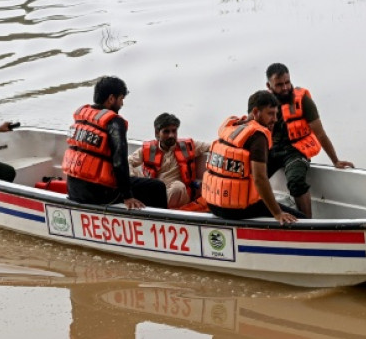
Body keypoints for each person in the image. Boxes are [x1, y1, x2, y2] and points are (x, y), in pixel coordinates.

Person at [62, 76, 167, 210]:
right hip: (100, 194)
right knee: (157, 187)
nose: (122, 104)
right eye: (121, 99)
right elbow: (119, 162)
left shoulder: (82, 117)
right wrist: (128, 196)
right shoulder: (115, 122)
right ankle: (161, 225)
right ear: (111, 99)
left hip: (73, 190)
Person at [264, 63, 353, 218]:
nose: (285, 87)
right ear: (269, 85)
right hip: (272, 150)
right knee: (251, 177)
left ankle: (307, 223)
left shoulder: (303, 100)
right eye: (279, 85)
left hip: (296, 150)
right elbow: (251, 127)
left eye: (287, 82)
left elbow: (320, 133)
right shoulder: (263, 101)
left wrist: (335, 161)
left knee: (296, 182)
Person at [203, 90, 301, 224]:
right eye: (270, 114)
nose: (275, 119)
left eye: (276, 114)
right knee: (302, 220)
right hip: (236, 209)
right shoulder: (258, 136)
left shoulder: (233, 125)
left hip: (213, 204)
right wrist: (278, 213)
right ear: (255, 112)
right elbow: (260, 178)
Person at [128, 113, 211, 209]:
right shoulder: (148, 149)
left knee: (178, 187)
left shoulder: (188, 146)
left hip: (178, 193)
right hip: (155, 190)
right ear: (157, 133)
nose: (171, 135)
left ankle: (161, 212)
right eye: (166, 132)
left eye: (174, 131)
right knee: (127, 170)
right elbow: (128, 162)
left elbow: (212, 146)